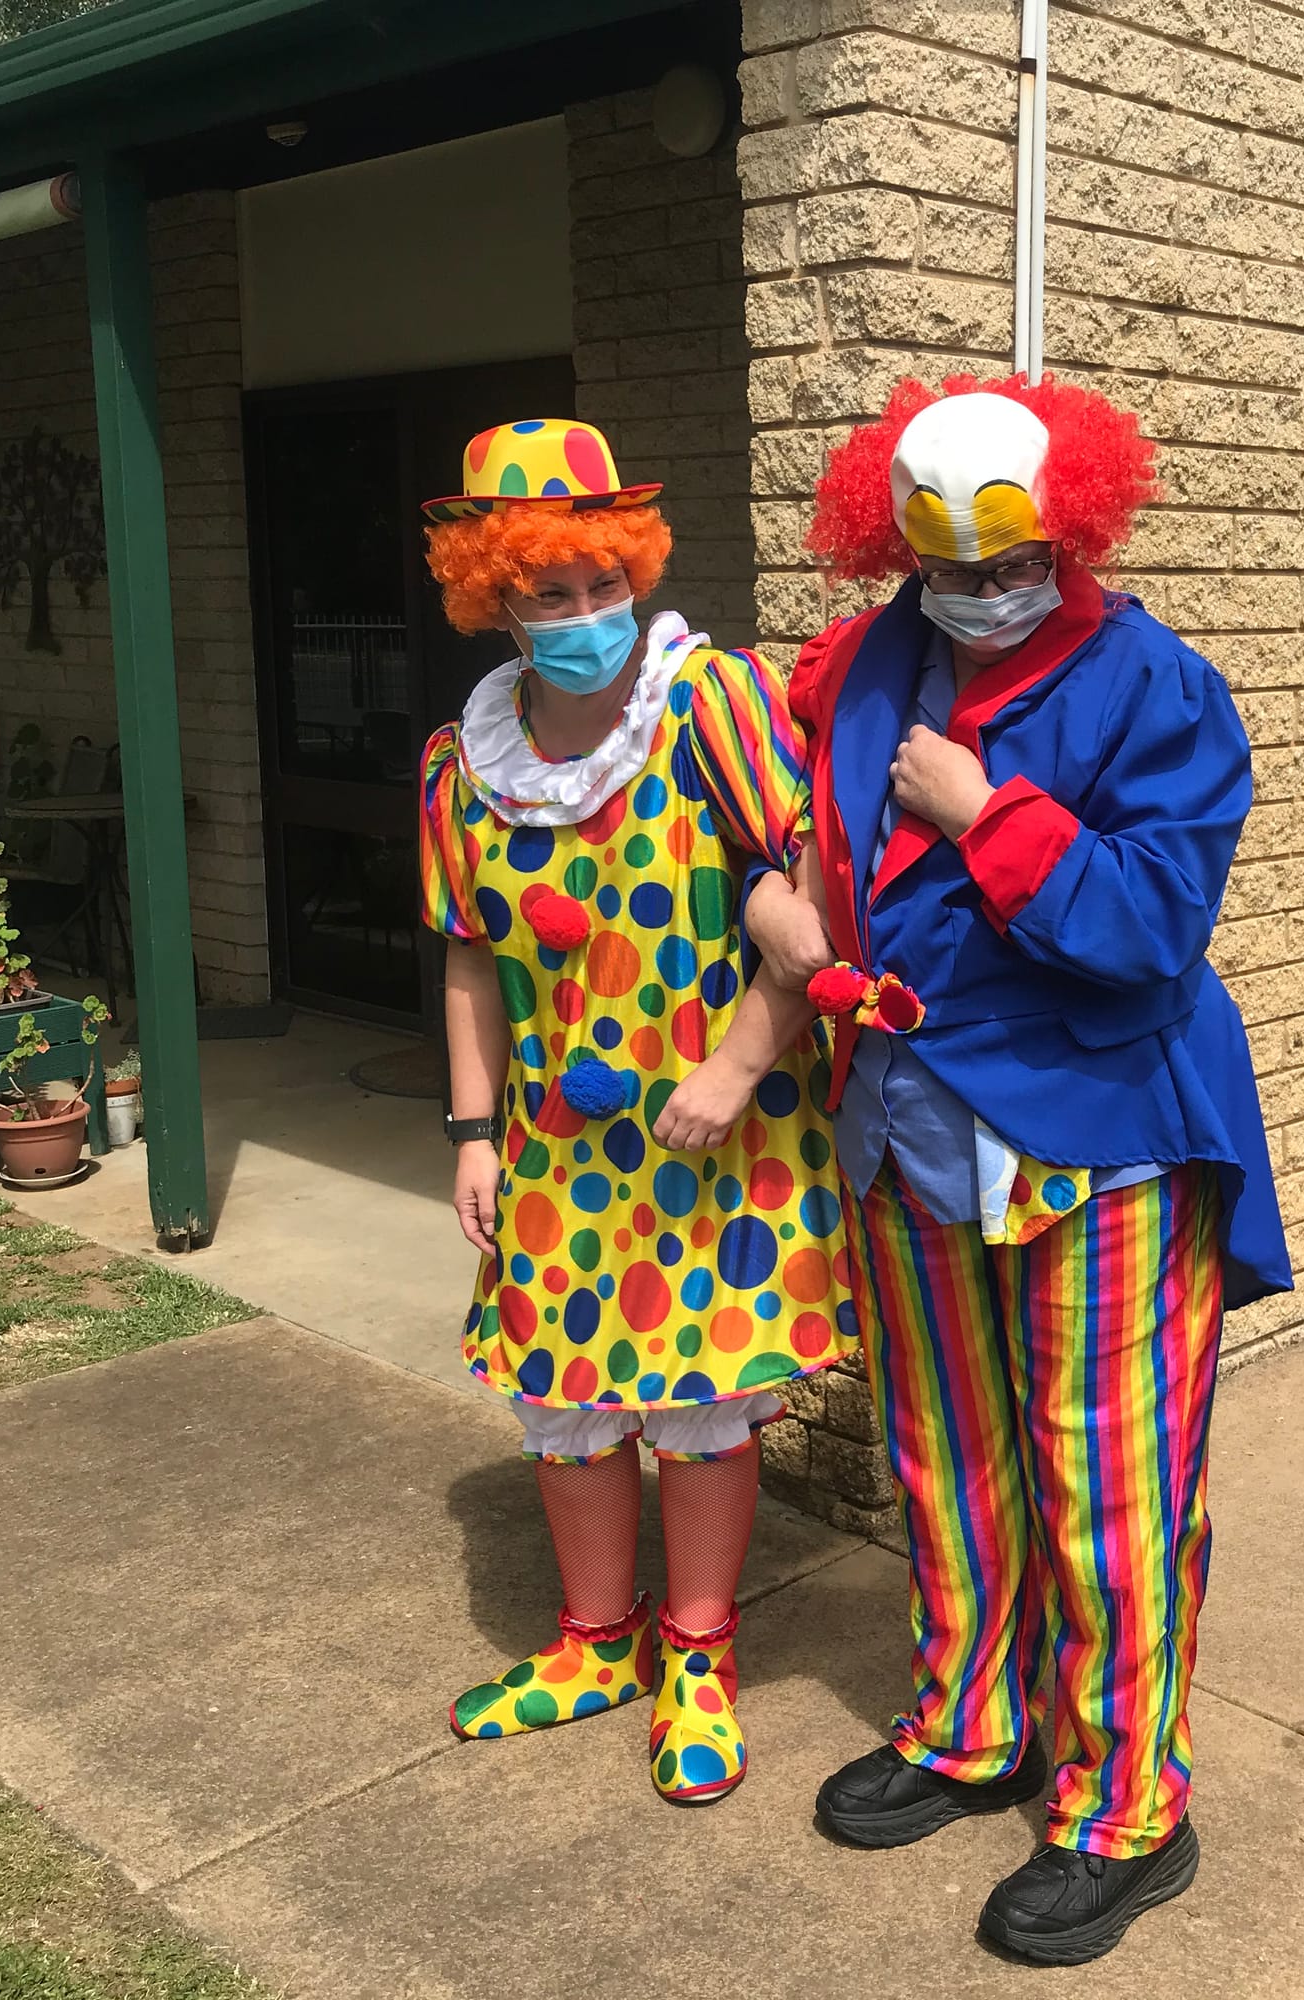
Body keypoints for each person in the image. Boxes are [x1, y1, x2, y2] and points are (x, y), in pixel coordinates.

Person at [745, 376, 1292, 1962]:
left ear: (1072, 532)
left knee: (1108, 1485)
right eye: (949, 564)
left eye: (1014, 560)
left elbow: (1149, 928)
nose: (982, 589)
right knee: (945, 1449)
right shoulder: (862, 660)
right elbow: (803, 837)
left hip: (1102, 1135)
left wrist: (989, 814)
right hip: (907, 1123)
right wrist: (776, 909)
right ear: (898, 544)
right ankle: (972, 1725)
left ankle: (1126, 1808)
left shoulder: (1159, 688)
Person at [417, 418, 854, 1805]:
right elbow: (471, 955)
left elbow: (814, 908)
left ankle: (699, 1653)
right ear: (494, 600)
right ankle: (598, 1639)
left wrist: (732, 1070)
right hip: (556, 1146)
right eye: (549, 592)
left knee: (702, 1398)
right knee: (565, 1393)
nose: (586, 613)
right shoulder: (460, 765)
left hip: (717, 1133)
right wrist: (473, 1133)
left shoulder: (714, 703)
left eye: (603, 582)